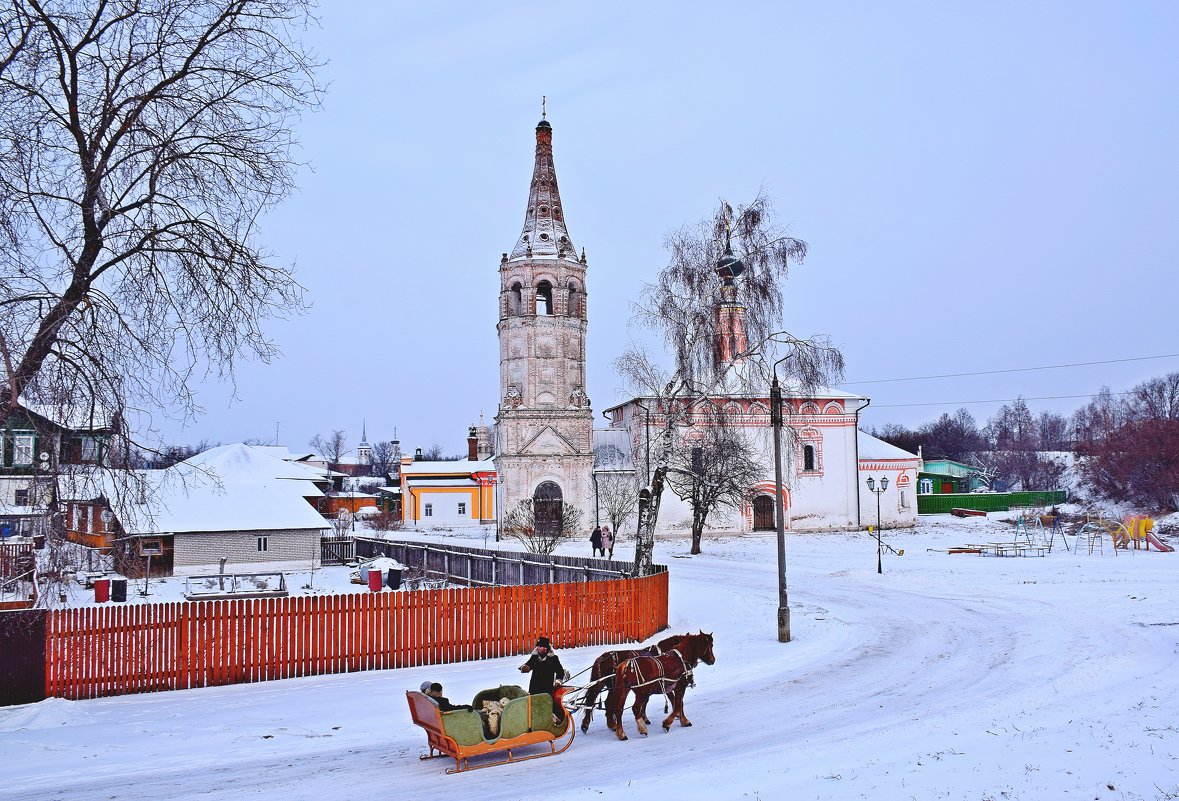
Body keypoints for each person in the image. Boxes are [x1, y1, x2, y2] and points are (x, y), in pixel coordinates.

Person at [519, 636, 570, 722]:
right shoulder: (534, 657)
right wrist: (525, 667)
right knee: (533, 704)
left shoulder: (553, 659)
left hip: (547, 687)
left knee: (547, 704)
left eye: (541, 647)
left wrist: (558, 681)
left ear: (546, 648)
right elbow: (528, 665)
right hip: (534, 686)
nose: (538, 648)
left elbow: (560, 672)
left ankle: (557, 719)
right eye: (538, 647)